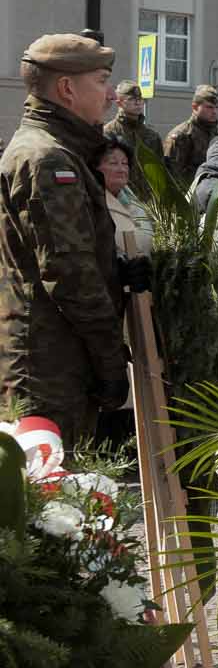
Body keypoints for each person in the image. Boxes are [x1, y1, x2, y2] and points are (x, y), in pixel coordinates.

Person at [0, 34, 128, 450]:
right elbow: (70, 275)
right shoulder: (49, 159)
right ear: (67, 88)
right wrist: (111, 360)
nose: (111, 95)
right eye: (101, 81)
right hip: (49, 367)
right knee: (55, 483)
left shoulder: (56, 150)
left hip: (51, 356)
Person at [98, 137, 153, 251]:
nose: (121, 169)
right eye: (113, 163)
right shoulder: (93, 201)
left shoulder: (131, 199)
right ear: (96, 168)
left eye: (124, 163)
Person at [163, 84, 218, 190]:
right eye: (209, 107)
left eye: (217, 107)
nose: (214, 112)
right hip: (189, 194)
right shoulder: (181, 135)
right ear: (195, 107)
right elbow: (171, 176)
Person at [105, 79, 165, 160]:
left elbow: (159, 165)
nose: (137, 103)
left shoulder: (152, 135)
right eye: (131, 99)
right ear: (119, 103)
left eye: (140, 99)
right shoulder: (109, 132)